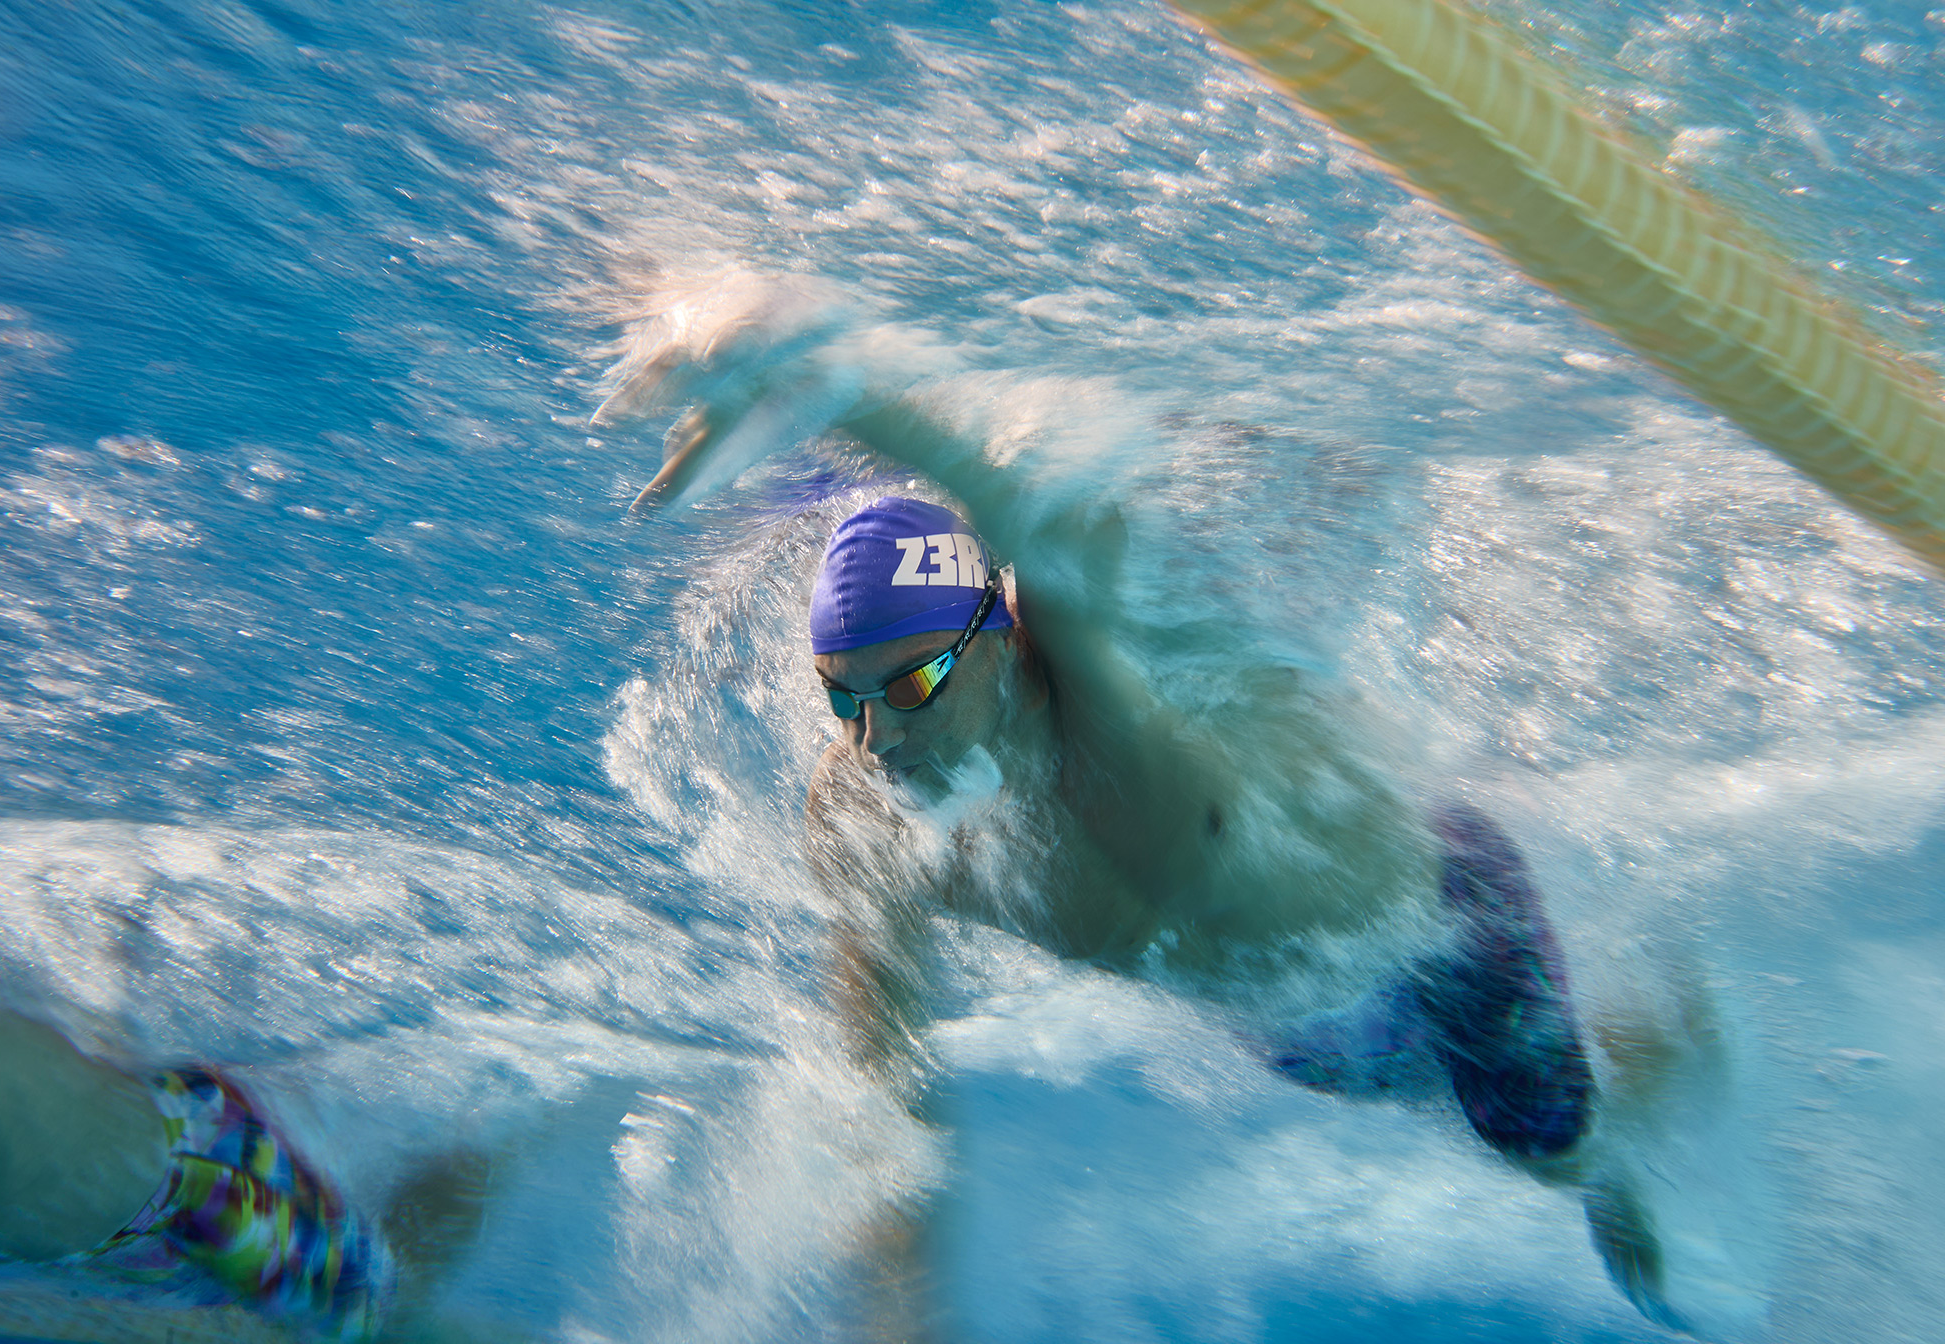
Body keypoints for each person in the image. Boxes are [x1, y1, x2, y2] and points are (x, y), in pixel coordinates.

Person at [605, 279, 1683, 1329]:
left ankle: (1645, 1092)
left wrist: (796, 363)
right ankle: (1623, 1045)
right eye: (842, 701)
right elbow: (886, 1084)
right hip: (1299, 1023)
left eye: (914, 683)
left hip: (1443, 917)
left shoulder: (1092, 685)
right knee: (1430, 1096)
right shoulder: (864, 824)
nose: (878, 736)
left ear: (996, 640)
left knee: (1551, 1151)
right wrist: (905, 1307)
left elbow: (1009, 489)